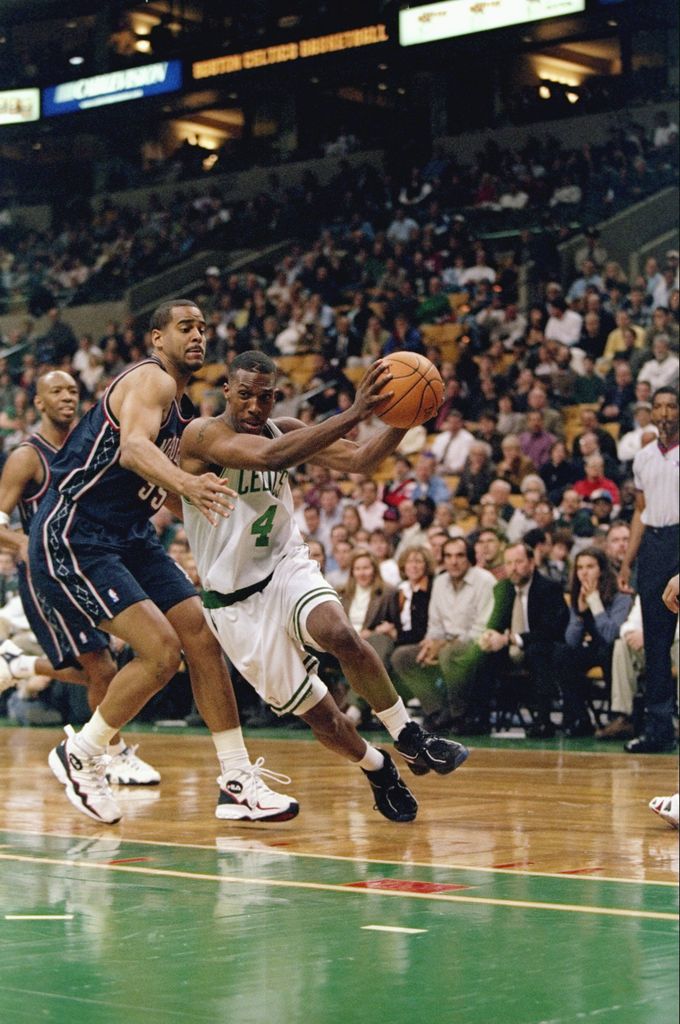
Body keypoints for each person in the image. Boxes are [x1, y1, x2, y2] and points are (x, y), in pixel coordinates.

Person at [27, 300, 293, 826]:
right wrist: (190, 484)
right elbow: (132, 449)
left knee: (200, 634)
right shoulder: (153, 380)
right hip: (77, 532)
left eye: (202, 328)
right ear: (156, 338)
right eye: (184, 327)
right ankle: (82, 753)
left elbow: (160, 486)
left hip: (129, 534)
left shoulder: (182, 410)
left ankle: (237, 778)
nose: (197, 336)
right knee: (161, 651)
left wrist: (206, 509)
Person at [179, 350, 469, 824]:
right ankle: (377, 768)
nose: (254, 406)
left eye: (265, 397)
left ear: (276, 397)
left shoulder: (286, 430)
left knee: (340, 632)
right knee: (323, 716)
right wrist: (356, 411)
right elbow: (270, 457)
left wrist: (405, 419)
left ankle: (410, 736)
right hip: (234, 602)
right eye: (245, 394)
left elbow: (359, 460)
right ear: (226, 390)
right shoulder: (203, 435)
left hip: (284, 566)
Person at [0, 371, 159, 785]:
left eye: (72, 390)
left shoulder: (88, 445)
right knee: (102, 667)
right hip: (47, 574)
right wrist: (21, 542)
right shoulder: (27, 456)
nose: (67, 397)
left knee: (108, 666)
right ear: (38, 402)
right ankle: (112, 754)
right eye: (56, 391)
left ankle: (20, 665)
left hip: (86, 564)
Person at [619, 387, 679, 753]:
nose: (665, 412)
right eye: (659, 406)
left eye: (672, 406)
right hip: (654, 547)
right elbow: (640, 511)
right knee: (656, 643)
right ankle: (659, 730)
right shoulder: (642, 458)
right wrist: (628, 560)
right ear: (651, 414)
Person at [390, 537, 495, 732]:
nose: (453, 561)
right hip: (444, 642)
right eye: (448, 556)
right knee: (402, 656)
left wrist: (445, 644)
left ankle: (459, 715)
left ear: (469, 558)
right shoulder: (440, 581)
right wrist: (431, 643)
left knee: (449, 653)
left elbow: (482, 627)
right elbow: (435, 623)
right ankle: (437, 711)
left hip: (477, 643)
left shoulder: (485, 580)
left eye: (459, 556)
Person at [479, 542, 569, 738]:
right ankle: (478, 718)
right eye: (509, 563)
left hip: (544, 646)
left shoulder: (549, 588)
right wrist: (490, 635)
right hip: (512, 646)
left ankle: (543, 721)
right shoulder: (503, 588)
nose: (513, 568)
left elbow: (551, 630)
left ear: (531, 563)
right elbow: (497, 621)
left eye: (518, 562)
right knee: (484, 654)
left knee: (536, 652)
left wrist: (513, 639)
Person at [559, 547, 632, 737]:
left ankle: (618, 718)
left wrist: (595, 603)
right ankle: (580, 718)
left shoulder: (621, 596)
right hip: (593, 648)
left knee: (608, 652)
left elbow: (611, 635)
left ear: (601, 570)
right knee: (563, 654)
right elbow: (571, 641)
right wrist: (580, 614)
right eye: (580, 567)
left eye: (590, 567)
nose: (584, 572)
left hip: (616, 650)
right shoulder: (577, 594)